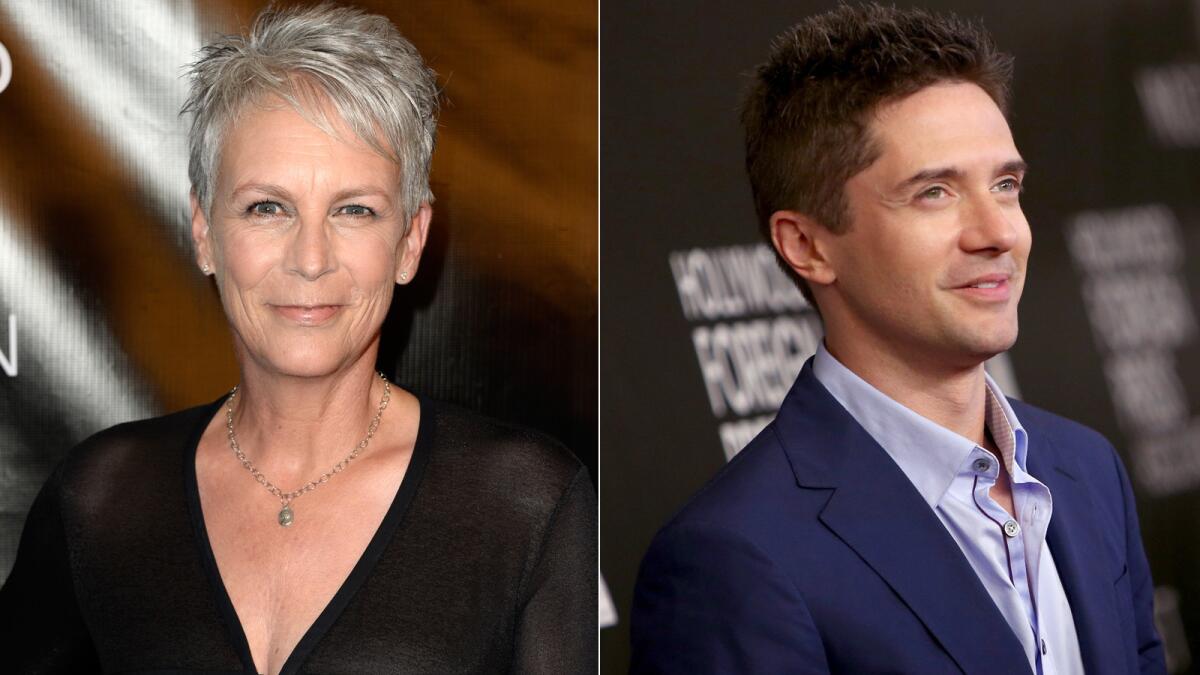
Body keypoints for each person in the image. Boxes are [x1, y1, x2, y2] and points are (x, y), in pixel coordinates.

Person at [0, 5, 595, 673]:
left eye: (354, 210)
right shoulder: (99, 499)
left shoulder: (527, 504)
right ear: (204, 232)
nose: (310, 259)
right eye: (267, 207)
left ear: (410, 241)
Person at [630, 4, 1163, 674]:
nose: (997, 231)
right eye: (934, 192)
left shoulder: (1088, 471)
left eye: (1005, 184)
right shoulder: (733, 557)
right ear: (808, 246)